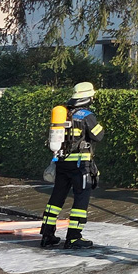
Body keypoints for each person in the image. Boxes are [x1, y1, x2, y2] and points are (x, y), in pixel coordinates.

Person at [40, 82, 104, 250]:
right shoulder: (86, 115)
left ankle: (47, 235)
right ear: (87, 97)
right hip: (80, 165)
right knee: (81, 198)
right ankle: (74, 238)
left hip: (61, 162)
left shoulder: (64, 112)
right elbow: (98, 136)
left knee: (56, 198)